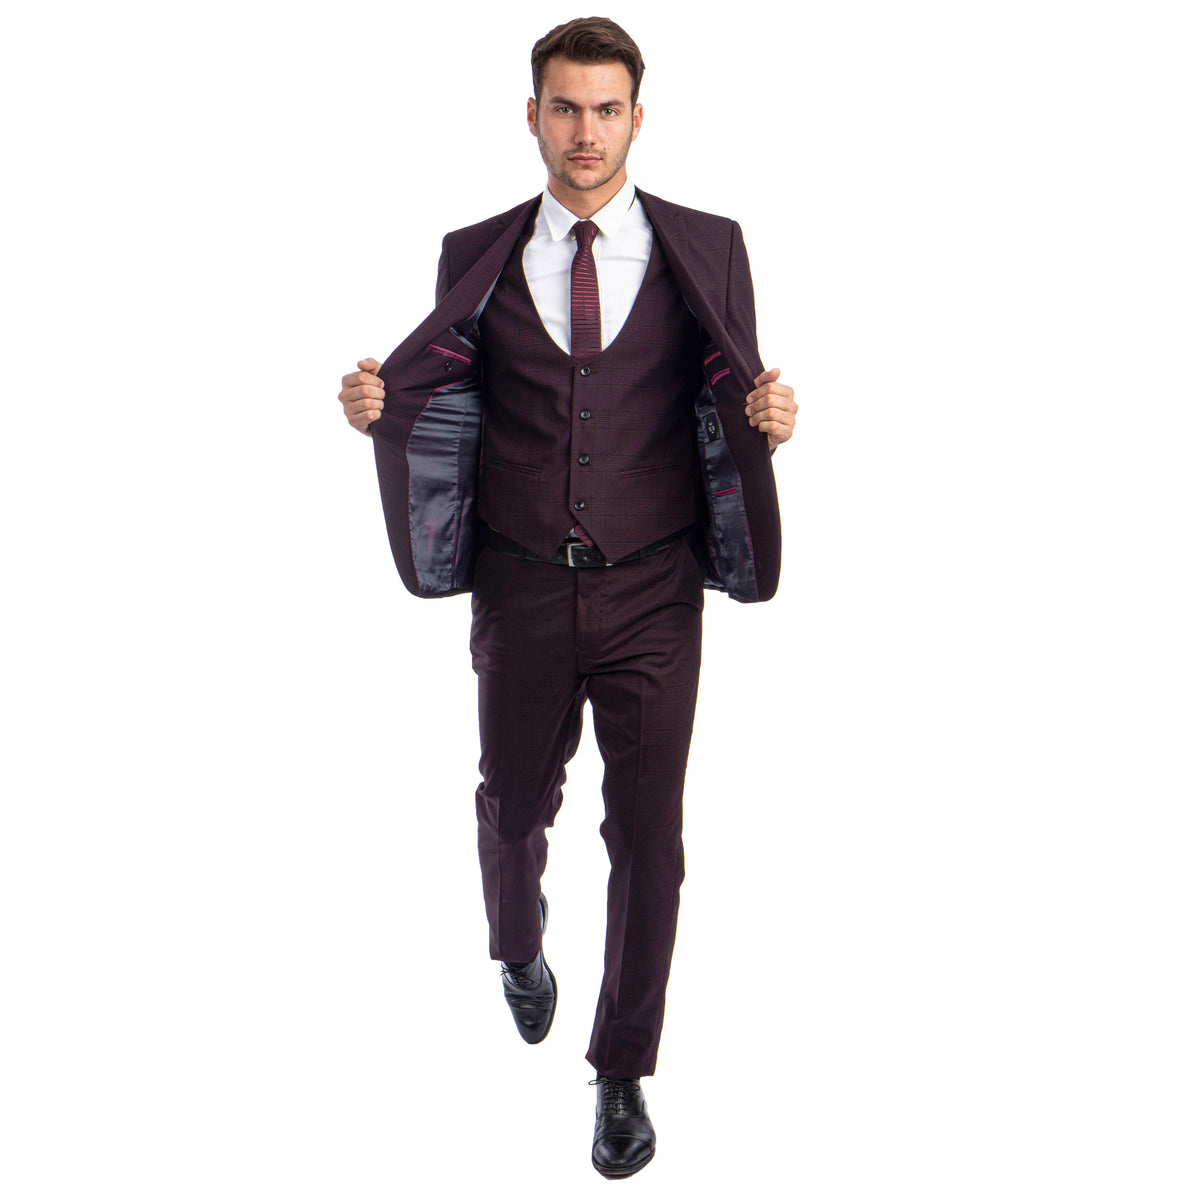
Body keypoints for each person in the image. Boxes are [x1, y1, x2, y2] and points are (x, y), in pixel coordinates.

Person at [337, 16, 796, 1178]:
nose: (585, 132)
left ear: (638, 118)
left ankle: (621, 1070)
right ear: (532, 116)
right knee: (510, 806)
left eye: (606, 109)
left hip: (655, 589)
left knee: (650, 840)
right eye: (565, 108)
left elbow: (731, 388)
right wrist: (379, 409)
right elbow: (440, 386)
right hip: (522, 586)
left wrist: (773, 423)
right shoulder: (474, 252)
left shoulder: (710, 246)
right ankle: (516, 943)